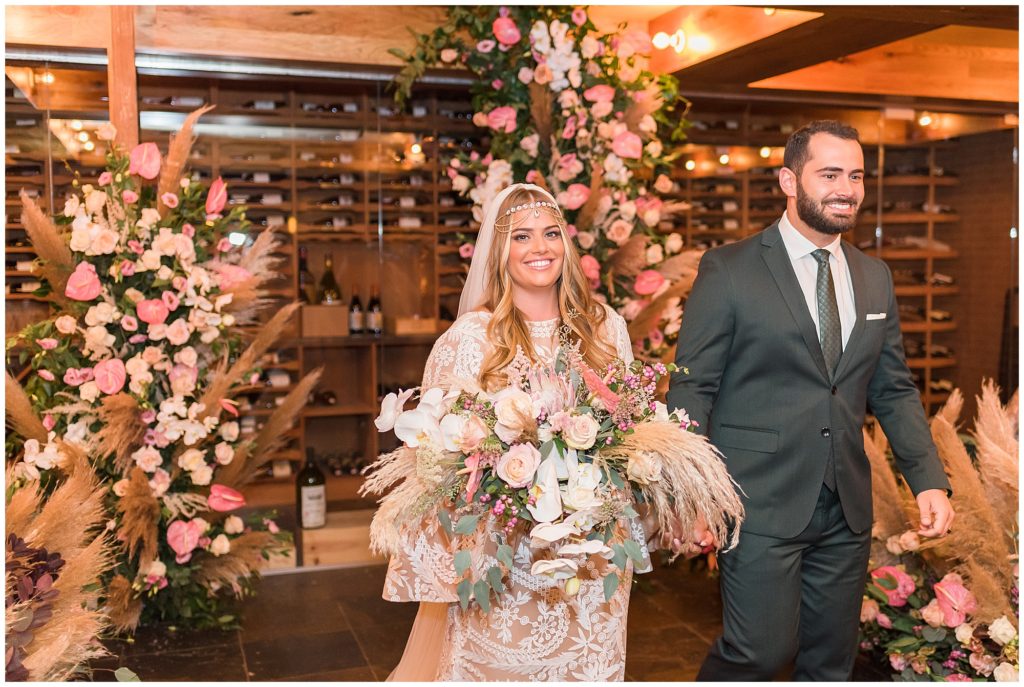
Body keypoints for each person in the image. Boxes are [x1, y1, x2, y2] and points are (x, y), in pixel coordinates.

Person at [667, 120, 955, 680]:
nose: (845, 189)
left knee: (831, 664)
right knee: (761, 653)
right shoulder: (728, 269)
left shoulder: (876, 278)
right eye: (829, 174)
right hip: (757, 500)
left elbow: (892, 387)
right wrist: (692, 492)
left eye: (856, 176)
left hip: (845, 506)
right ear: (788, 180)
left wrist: (928, 479)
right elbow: (692, 385)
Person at [380, 183, 651, 681]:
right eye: (521, 236)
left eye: (551, 234)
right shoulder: (470, 337)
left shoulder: (605, 326)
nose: (539, 248)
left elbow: (628, 428)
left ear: (567, 245)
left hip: (591, 556)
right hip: (504, 557)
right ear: (499, 251)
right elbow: (436, 459)